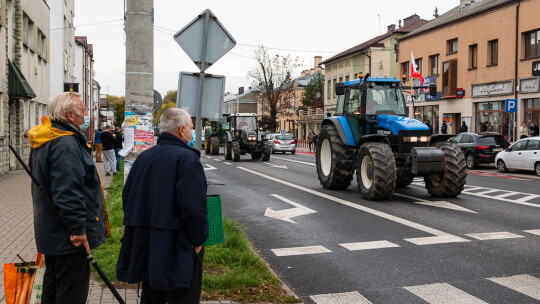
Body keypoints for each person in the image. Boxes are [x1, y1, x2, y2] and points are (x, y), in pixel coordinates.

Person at [117, 108, 208, 304]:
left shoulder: (143, 158)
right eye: (191, 128)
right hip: (177, 246)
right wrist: (199, 240)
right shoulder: (187, 159)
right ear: (182, 130)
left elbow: (128, 198)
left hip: (147, 244)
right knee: (182, 296)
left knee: (152, 296)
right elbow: (193, 208)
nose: (191, 133)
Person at [27, 92, 107, 304]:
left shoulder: (48, 139)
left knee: (53, 290)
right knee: (70, 294)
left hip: (53, 231)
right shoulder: (65, 144)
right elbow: (68, 192)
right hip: (68, 236)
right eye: (83, 111)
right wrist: (79, 230)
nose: (86, 115)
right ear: (70, 115)